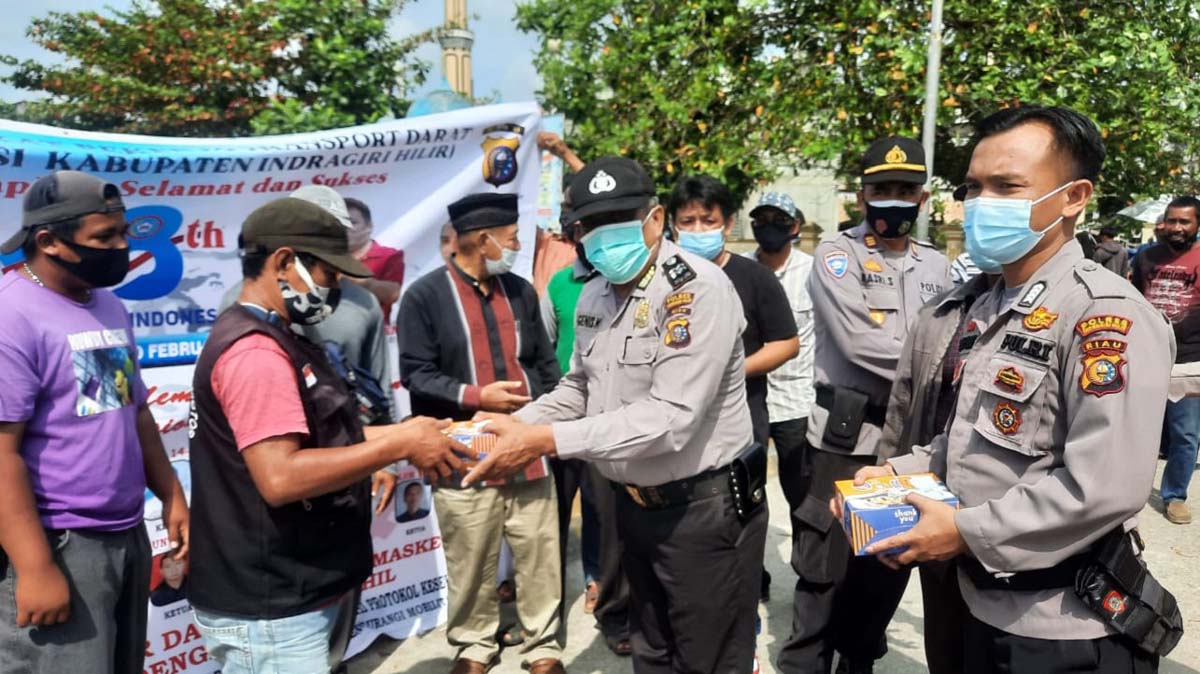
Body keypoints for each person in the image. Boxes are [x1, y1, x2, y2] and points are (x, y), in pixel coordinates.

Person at [852, 105, 1174, 673]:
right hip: (979, 604)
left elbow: (1102, 488)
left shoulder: (1104, 315)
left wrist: (963, 531)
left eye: (1007, 186)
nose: (980, 204)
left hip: (1057, 628)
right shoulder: (992, 305)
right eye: (973, 187)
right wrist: (901, 472)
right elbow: (972, 442)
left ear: (1074, 197)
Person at [462, 157, 769, 674]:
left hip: (702, 512)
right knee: (651, 651)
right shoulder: (596, 293)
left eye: (618, 218)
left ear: (654, 219)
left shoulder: (695, 290)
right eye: (591, 225)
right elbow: (581, 387)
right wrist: (519, 425)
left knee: (709, 659)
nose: (603, 235)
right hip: (636, 510)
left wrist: (545, 441)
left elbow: (672, 417)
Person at [187, 197, 471, 673]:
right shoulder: (255, 353)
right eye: (328, 273)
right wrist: (399, 445)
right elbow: (281, 476)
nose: (335, 286)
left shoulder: (285, 335)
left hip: (299, 586)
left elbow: (319, 434)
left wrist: (405, 433)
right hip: (272, 604)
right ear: (284, 263)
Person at [0, 171, 189, 674]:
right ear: (48, 241)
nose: (122, 247)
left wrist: (171, 493)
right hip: (59, 542)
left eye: (124, 233)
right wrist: (35, 567)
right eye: (104, 238)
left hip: (124, 535)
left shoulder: (105, 303)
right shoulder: (11, 315)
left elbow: (133, 410)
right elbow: (1, 455)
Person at [779, 136, 951, 674]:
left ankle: (859, 660)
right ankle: (805, 664)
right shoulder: (836, 256)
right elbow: (858, 341)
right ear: (862, 197)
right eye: (882, 189)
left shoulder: (937, 268)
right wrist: (939, 368)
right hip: (845, 437)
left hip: (906, 445)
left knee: (885, 561)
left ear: (923, 199)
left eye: (905, 189)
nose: (893, 199)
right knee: (823, 566)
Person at [397, 192, 564, 674]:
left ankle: (543, 645)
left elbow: (544, 363)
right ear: (483, 239)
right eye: (510, 238)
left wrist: (547, 416)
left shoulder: (521, 290)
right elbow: (416, 373)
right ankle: (474, 644)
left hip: (526, 443)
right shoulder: (425, 296)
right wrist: (476, 396)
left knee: (539, 552)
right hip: (463, 451)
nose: (515, 245)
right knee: (470, 555)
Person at [220, 185, 398, 513]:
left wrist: (387, 460)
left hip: (349, 470)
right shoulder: (243, 310)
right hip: (277, 486)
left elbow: (380, 386)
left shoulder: (364, 305)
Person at [869, 270, 995, 673]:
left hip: (1014, 531)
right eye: (973, 200)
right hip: (937, 497)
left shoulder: (1080, 309)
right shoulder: (944, 310)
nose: (984, 206)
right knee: (944, 643)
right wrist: (887, 473)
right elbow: (904, 405)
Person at [540, 212, 631, 655]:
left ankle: (601, 588)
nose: (589, 239)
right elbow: (548, 351)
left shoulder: (629, 283)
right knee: (554, 511)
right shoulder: (559, 285)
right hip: (564, 414)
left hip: (607, 425)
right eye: (578, 231)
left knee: (603, 513)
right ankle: (549, 596)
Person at [746, 191, 815, 608]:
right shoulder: (739, 270)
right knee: (747, 495)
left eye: (778, 219)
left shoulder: (815, 272)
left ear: (795, 227)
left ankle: (810, 575)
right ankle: (753, 575)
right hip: (748, 399)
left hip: (797, 400)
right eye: (760, 218)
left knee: (802, 498)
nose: (767, 225)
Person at [1132, 195, 1200, 525]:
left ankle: (1174, 495)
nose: (1176, 227)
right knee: (1131, 427)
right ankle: (1124, 489)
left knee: (1185, 433)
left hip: (1188, 360)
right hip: (1146, 354)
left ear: (1196, 224)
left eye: (1183, 221)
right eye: (1171, 220)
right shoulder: (1145, 258)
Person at [345, 197, 405, 316]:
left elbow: (392, 295)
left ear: (369, 226)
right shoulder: (321, 256)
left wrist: (360, 281)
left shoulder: (389, 256)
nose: (344, 228)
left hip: (372, 331)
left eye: (352, 222)